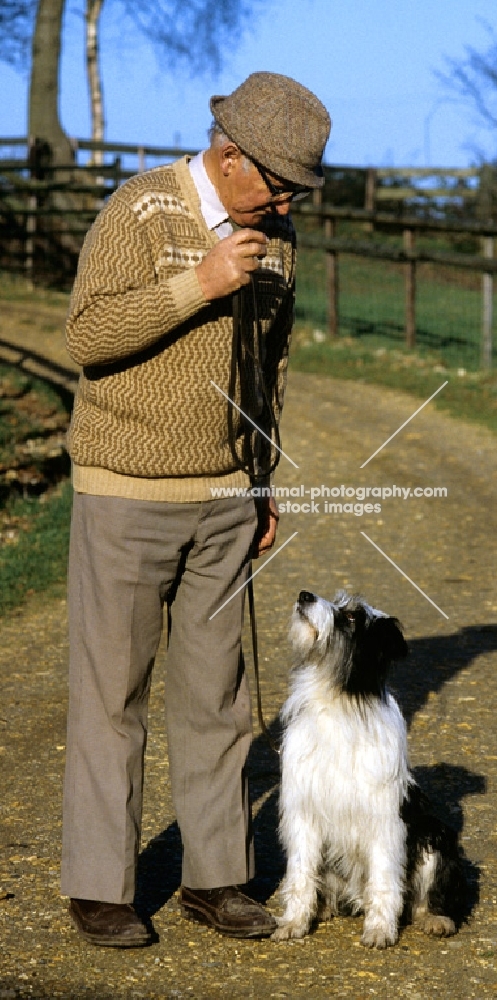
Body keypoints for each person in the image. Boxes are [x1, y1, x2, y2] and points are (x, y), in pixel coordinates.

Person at [60, 72, 331, 947]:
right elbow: (88, 336)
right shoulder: (138, 212)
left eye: (297, 189)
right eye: (279, 183)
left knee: (219, 696)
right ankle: (100, 887)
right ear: (228, 156)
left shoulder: (280, 242)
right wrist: (201, 283)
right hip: (125, 494)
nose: (287, 201)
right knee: (113, 697)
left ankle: (217, 879)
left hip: (223, 499)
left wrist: (261, 479)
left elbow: (270, 371)